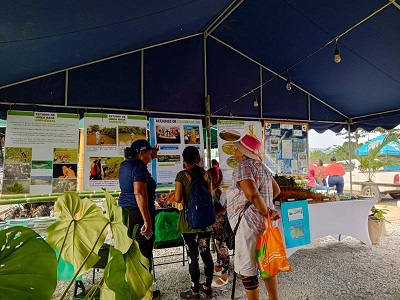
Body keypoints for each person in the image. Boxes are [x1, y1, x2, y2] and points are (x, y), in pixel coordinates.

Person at [226, 134, 281, 300]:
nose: (235, 151)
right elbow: (276, 191)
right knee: (266, 262)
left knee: (248, 268)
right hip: (265, 224)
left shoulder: (243, 167)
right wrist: (267, 211)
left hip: (248, 224)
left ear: (243, 153)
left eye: (237, 149)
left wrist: (265, 210)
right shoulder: (263, 167)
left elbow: (252, 194)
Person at [118, 139, 161, 300]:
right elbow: (139, 193)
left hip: (126, 213)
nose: (152, 154)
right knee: (144, 252)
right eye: (149, 152)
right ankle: (143, 294)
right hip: (138, 213)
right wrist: (147, 221)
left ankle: (133, 290)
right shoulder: (139, 167)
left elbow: (137, 173)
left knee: (131, 252)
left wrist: (153, 156)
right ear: (141, 153)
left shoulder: (126, 164)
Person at [174, 146, 214, 299]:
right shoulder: (206, 175)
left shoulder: (181, 176)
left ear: (184, 160)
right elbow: (210, 197)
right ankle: (207, 287)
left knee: (193, 256)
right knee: (206, 253)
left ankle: (195, 292)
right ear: (197, 159)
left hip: (189, 222)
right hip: (205, 222)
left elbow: (178, 199)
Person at [207, 165, 229, 287]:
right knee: (217, 244)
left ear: (215, 179)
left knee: (222, 246)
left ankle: (224, 273)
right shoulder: (211, 189)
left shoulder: (219, 191)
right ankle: (219, 265)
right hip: (215, 223)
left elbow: (225, 208)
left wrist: (215, 213)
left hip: (220, 223)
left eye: (208, 177)